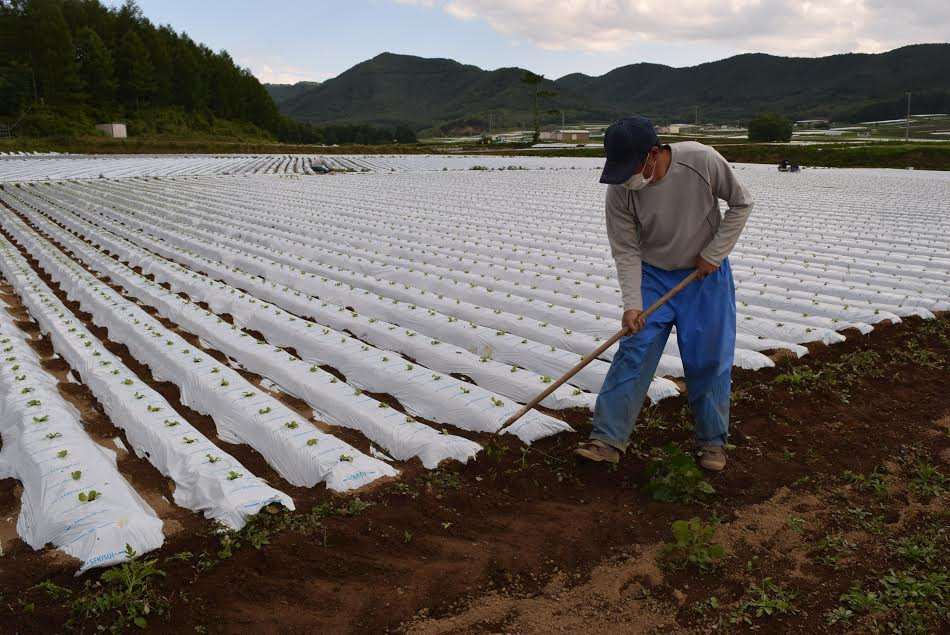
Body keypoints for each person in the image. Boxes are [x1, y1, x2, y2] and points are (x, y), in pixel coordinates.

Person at [574, 116, 753, 471]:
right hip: (654, 276)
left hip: (704, 278)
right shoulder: (621, 189)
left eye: (633, 167)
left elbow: (742, 203)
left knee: (709, 359)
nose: (628, 178)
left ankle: (712, 443)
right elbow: (625, 250)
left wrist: (713, 255)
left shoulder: (701, 160)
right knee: (634, 351)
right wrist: (632, 305)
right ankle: (607, 439)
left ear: (654, 154)